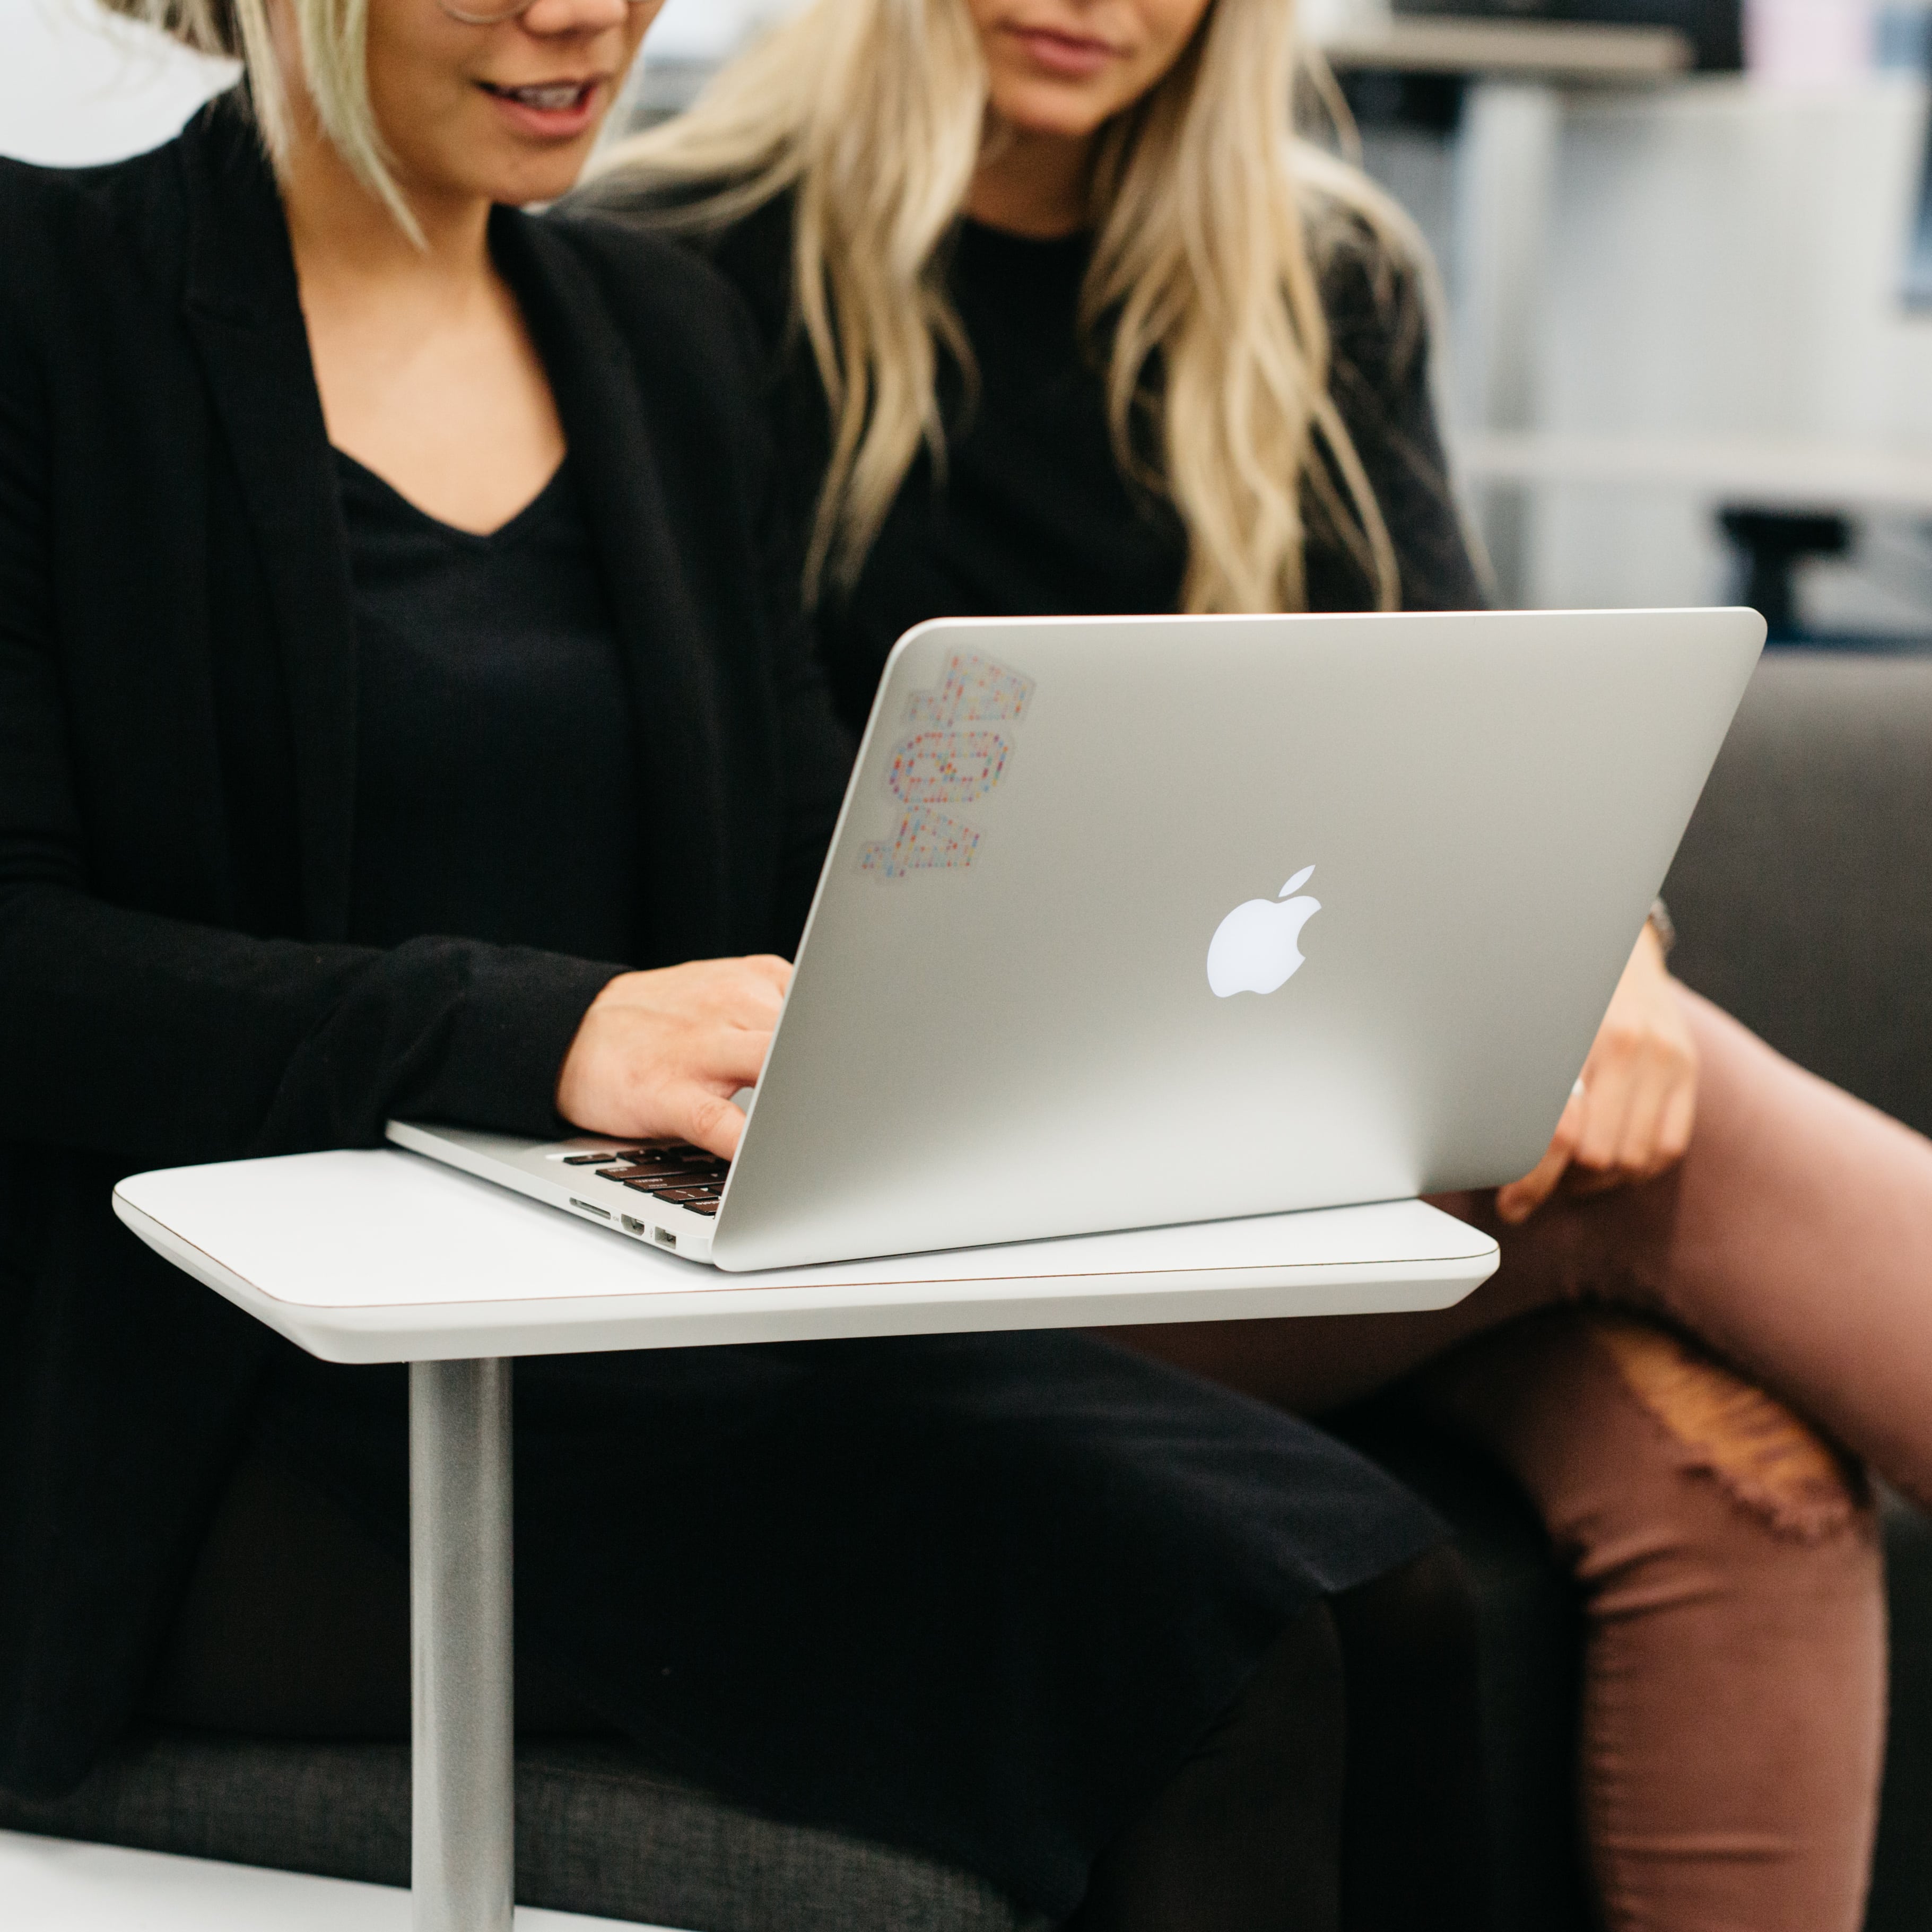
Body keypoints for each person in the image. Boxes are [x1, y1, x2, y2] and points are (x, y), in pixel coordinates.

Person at [0, 0, 1495, 1926]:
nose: (578, 18)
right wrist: (551, 1029)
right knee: (1220, 1652)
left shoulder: (659, 336)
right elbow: (25, 964)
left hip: (657, 1324)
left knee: (1391, 1588)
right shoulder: (52, 311)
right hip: (222, 1413)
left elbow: (805, 885)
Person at [580, 2, 1927, 1925]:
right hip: (940, 1215)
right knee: (1675, 1156)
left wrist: (1605, 952)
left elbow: (1467, 725)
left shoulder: (1320, 266)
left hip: (1304, 1164)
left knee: (1740, 1472)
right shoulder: (676, 260)